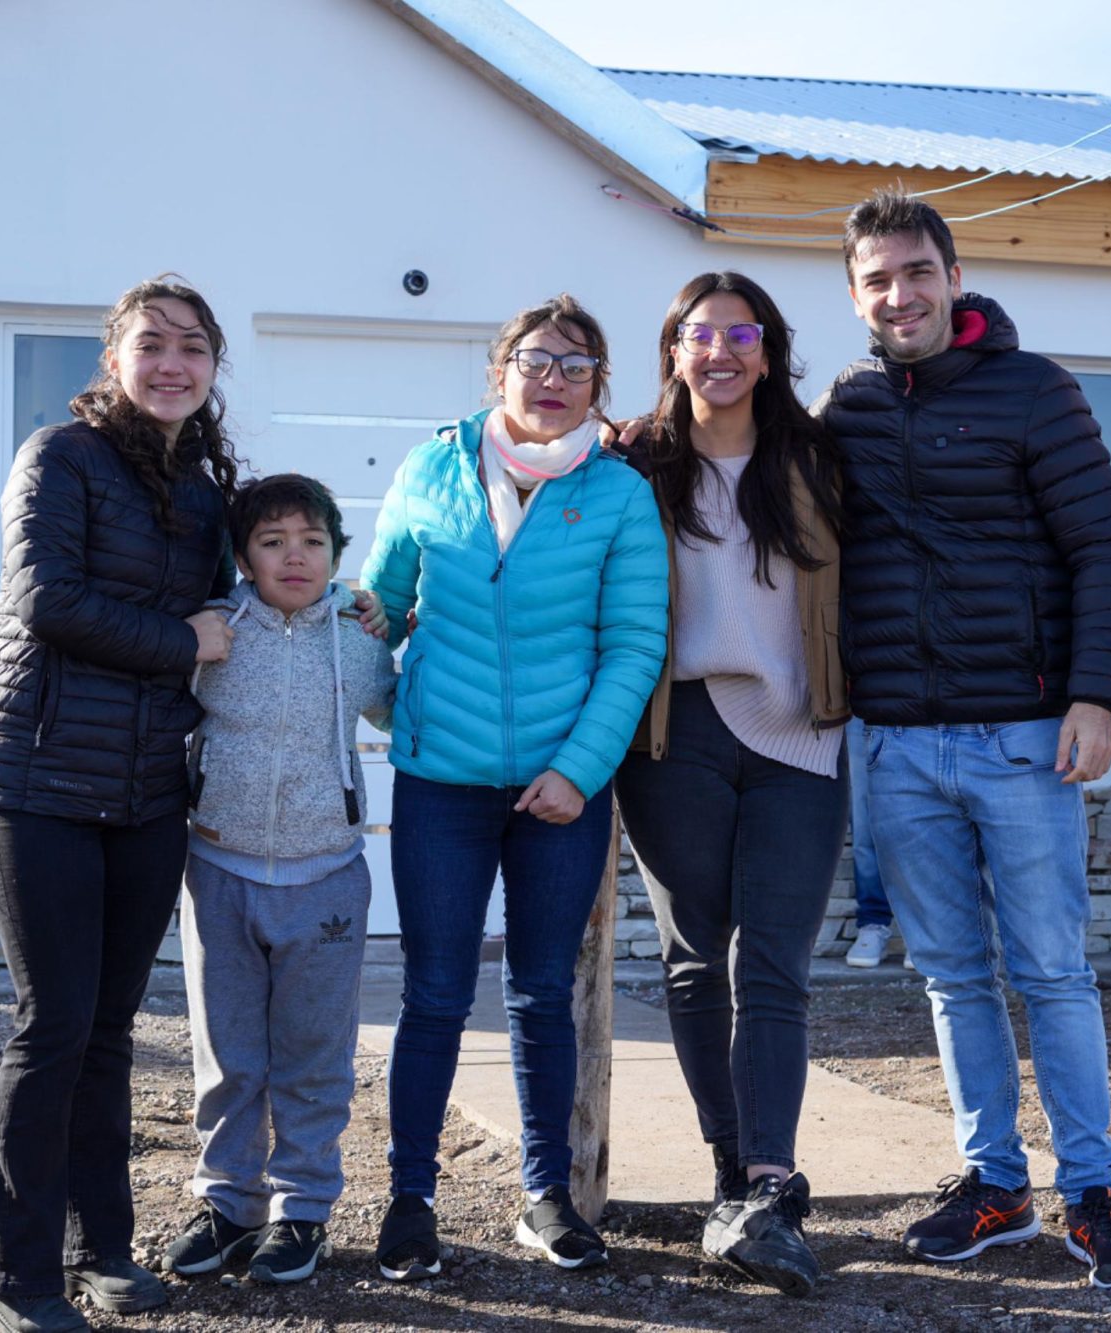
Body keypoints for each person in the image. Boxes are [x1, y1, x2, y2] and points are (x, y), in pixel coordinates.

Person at [817, 189, 1111, 1292]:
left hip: (1022, 735)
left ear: (954, 277)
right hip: (896, 745)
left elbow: (1102, 547)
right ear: (855, 296)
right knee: (952, 978)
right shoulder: (847, 405)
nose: (900, 294)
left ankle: (1091, 1194)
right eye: (877, 279)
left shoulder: (1035, 390)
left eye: (917, 271)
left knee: (1052, 971)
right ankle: (995, 1185)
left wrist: (1094, 696)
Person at [360, 295, 668, 1280]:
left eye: (577, 366)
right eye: (535, 359)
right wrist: (401, 715)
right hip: (438, 788)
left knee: (542, 992)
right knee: (435, 993)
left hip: (560, 793)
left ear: (598, 387)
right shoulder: (430, 469)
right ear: (499, 371)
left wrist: (577, 771)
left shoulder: (618, 496)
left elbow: (634, 646)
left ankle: (547, 1197)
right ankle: (410, 1200)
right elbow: (376, 611)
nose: (553, 379)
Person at [0, 277, 240, 1333]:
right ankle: (11, 1272)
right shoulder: (60, 457)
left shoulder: (204, 492)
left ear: (212, 367)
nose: (172, 363)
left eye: (193, 347)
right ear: (115, 357)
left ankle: (99, 1249)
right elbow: (47, 599)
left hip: (147, 789)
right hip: (38, 781)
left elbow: (243, 597)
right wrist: (182, 641)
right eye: (151, 343)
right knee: (53, 1026)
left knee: (111, 1031)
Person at [612, 271, 848, 1296]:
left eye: (740, 335)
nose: (720, 352)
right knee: (695, 960)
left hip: (799, 733)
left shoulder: (818, 458)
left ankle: (767, 1179)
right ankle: (734, 1176)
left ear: (768, 350)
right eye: (699, 335)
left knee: (775, 964)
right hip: (676, 733)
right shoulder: (634, 465)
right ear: (673, 349)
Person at [164, 474, 398, 1286]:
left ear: (336, 553)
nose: (294, 557)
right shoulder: (213, 631)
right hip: (219, 872)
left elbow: (401, 710)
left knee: (313, 1055)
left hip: (326, 877)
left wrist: (389, 618)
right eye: (272, 542)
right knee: (229, 1054)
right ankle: (229, 1203)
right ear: (243, 557)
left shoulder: (360, 638)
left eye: (312, 541)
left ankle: (302, 1209)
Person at [842, 717, 903, 968]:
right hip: (862, 707)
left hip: (924, 707)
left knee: (926, 823)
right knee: (865, 821)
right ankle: (873, 921)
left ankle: (924, 929)